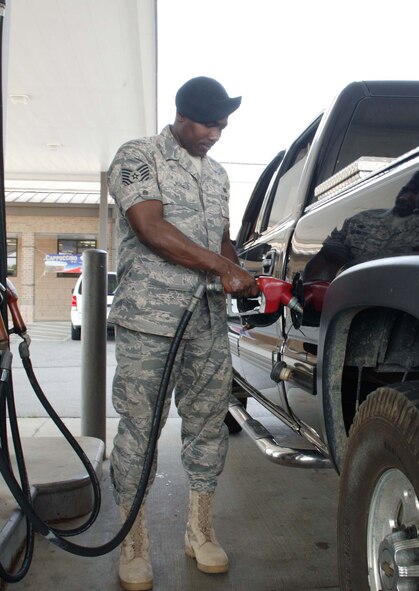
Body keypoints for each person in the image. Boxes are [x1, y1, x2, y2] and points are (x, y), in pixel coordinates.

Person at [106, 76, 258, 591]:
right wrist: (222, 267)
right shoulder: (138, 156)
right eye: (208, 125)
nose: (215, 135)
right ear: (182, 116)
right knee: (140, 430)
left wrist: (240, 273)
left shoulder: (217, 175)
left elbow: (221, 239)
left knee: (208, 427)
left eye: (222, 127)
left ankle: (200, 530)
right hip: (151, 322)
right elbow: (151, 228)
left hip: (207, 322)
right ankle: (133, 542)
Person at [304, 166, 419, 282]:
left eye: (415, 193)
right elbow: (325, 261)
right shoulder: (362, 219)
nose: (405, 197)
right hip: (346, 301)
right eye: (405, 190)